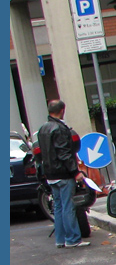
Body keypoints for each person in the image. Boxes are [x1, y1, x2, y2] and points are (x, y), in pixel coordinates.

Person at [37, 99, 90, 248]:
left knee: (58, 207)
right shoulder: (60, 128)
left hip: (50, 174)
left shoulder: (43, 129)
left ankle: (60, 240)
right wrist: (75, 172)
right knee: (68, 206)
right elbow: (64, 153)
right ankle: (73, 239)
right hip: (63, 173)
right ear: (62, 111)